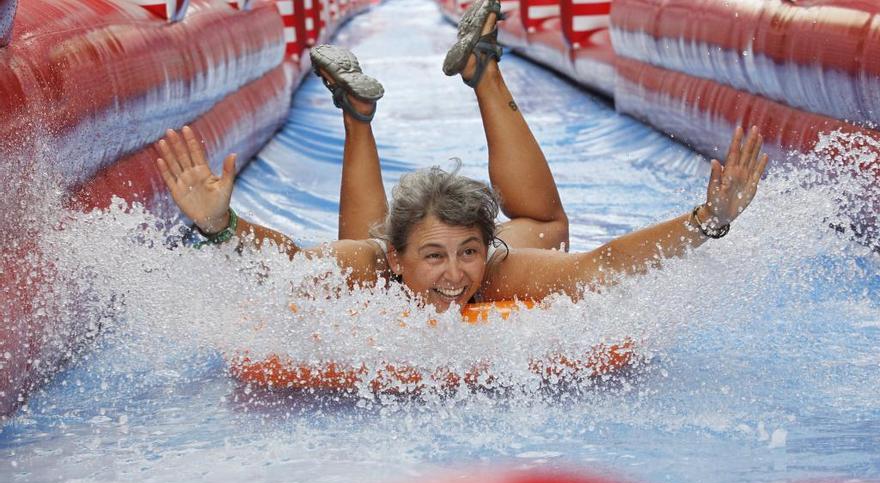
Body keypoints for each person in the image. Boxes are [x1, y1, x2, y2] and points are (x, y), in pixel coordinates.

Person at [154, 0, 768, 313]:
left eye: (469, 251)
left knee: (552, 236)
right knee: (352, 257)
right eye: (435, 257)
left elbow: (597, 268)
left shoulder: (495, 272)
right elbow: (287, 261)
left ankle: (469, 73)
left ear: (489, 245)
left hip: (399, 249)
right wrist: (218, 226)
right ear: (398, 259)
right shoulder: (373, 266)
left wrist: (708, 221)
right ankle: (376, 112)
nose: (455, 276)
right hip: (374, 256)